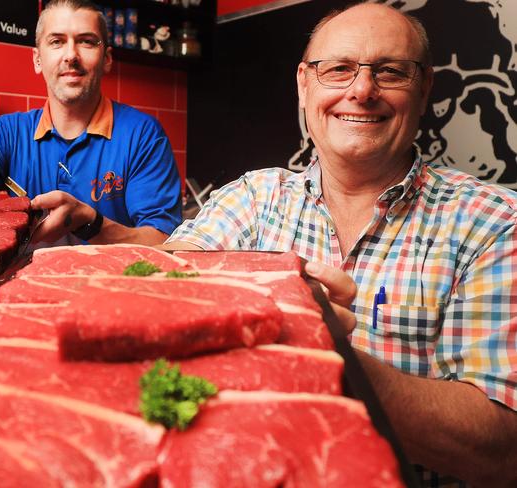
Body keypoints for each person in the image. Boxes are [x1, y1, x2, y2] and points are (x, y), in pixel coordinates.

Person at [164, 3, 517, 486]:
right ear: (304, 84)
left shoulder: (494, 221)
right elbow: (161, 292)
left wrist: (319, 346)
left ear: (425, 88)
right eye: (339, 69)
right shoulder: (252, 198)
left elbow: (501, 448)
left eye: (390, 71)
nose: (362, 90)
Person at [0, 0, 181, 245]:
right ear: (37, 59)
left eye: (86, 41)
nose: (71, 55)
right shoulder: (6, 133)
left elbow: (162, 240)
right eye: (56, 41)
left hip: (113, 291)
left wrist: (91, 223)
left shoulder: (143, 134)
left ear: (107, 60)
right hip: (23, 293)